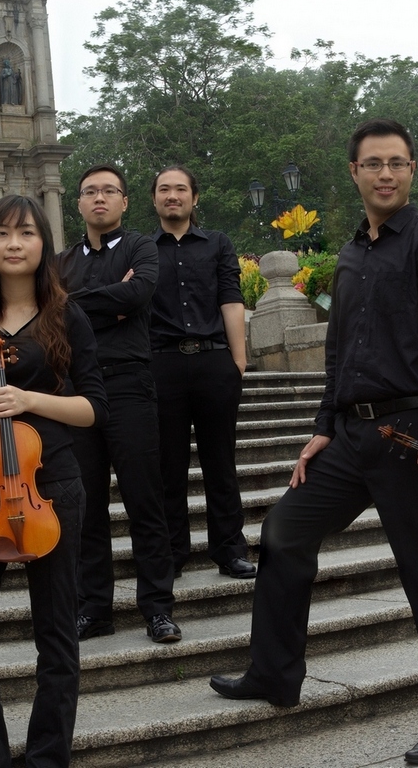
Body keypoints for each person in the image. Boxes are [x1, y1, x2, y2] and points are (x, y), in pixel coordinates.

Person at [212, 119, 418, 766]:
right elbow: (339, 353)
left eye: (397, 162)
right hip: (353, 434)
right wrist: (321, 428)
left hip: (413, 434)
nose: (385, 173)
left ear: (412, 170)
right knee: (283, 531)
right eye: (373, 163)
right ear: (354, 172)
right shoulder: (352, 254)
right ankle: (274, 674)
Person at [0, 195, 103, 768]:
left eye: (27, 233)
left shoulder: (67, 317)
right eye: (3, 233)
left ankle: (47, 757)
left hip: (50, 487)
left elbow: (93, 408)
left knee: (56, 630)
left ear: (43, 244)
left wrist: (31, 399)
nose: (14, 243)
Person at [55, 165, 180, 645]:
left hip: (129, 384)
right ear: (79, 203)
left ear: (125, 202)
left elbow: (140, 291)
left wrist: (78, 304)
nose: (99, 198)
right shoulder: (62, 261)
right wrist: (114, 302)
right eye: (90, 191)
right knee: (85, 505)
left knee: (144, 499)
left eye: (109, 191)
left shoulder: (140, 248)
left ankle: (158, 608)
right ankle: (94, 610)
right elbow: (51, 313)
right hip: (77, 392)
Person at [148, 165, 255, 579]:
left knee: (220, 461)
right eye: (164, 189)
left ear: (194, 197)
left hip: (214, 361)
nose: (172, 196)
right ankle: (172, 552)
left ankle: (229, 549)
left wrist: (238, 361)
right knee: (167, 466)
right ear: (154, 199)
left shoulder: (217, 244)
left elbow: (231, 297)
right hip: (162, 363)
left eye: (180, 189)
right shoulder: (141, 249)